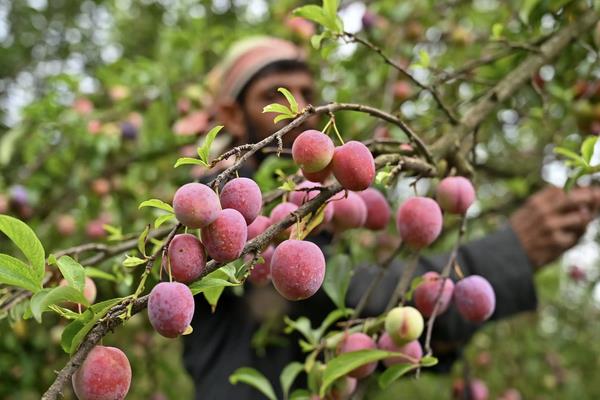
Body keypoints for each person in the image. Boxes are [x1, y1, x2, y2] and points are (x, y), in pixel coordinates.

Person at [182, 36, 600, 399]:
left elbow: (365, 333)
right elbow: (341, 295)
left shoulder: (304, 206)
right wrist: (505, 256)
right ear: (232, 116)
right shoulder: (220, 211)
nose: (300, 112)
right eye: (274, 95)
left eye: (306, 93)